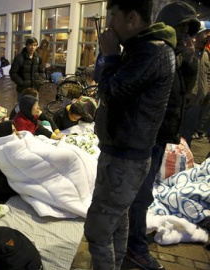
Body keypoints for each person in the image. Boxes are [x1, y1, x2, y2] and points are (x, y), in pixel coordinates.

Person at [83, 1, 176, 270]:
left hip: (125, 157)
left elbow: (110, 91)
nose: (110, 23)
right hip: (126, 153)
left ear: (132, 17)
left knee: (98, 230)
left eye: (113, 16)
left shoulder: (150, 51)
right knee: (118, 219)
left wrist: (110, 54)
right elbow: (107, 83)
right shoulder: (144, 47)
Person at [126, 3, 200, 270]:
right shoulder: (155, 53)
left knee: (142, 195)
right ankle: (133, 248)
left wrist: (190, 62)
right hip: (144, 140)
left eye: (188, 31)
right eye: (182, 29)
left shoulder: (174, 56)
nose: (185, 36)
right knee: (140, 195)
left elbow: (182, 95)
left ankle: (130, 241)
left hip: (158, 138)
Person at [180, 20, 210, 147]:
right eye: (206, 33)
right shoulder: (186, 53)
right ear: (197, 34)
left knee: (188, 137)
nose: (208, 37)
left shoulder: (205, 55)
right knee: (180, 137)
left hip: (198, 104)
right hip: (186, 104)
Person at [10, 37, 45, 101]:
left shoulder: (38, 58)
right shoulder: (19, 58)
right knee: (22, 108)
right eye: (30, 45)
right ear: (26, 45)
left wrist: (40, 81)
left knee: (34, 108)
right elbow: (13, 73)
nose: (33, 47)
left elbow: (42, 71)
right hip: (23, 90)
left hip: (35, 89)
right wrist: (21, 83)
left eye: (35, 45)